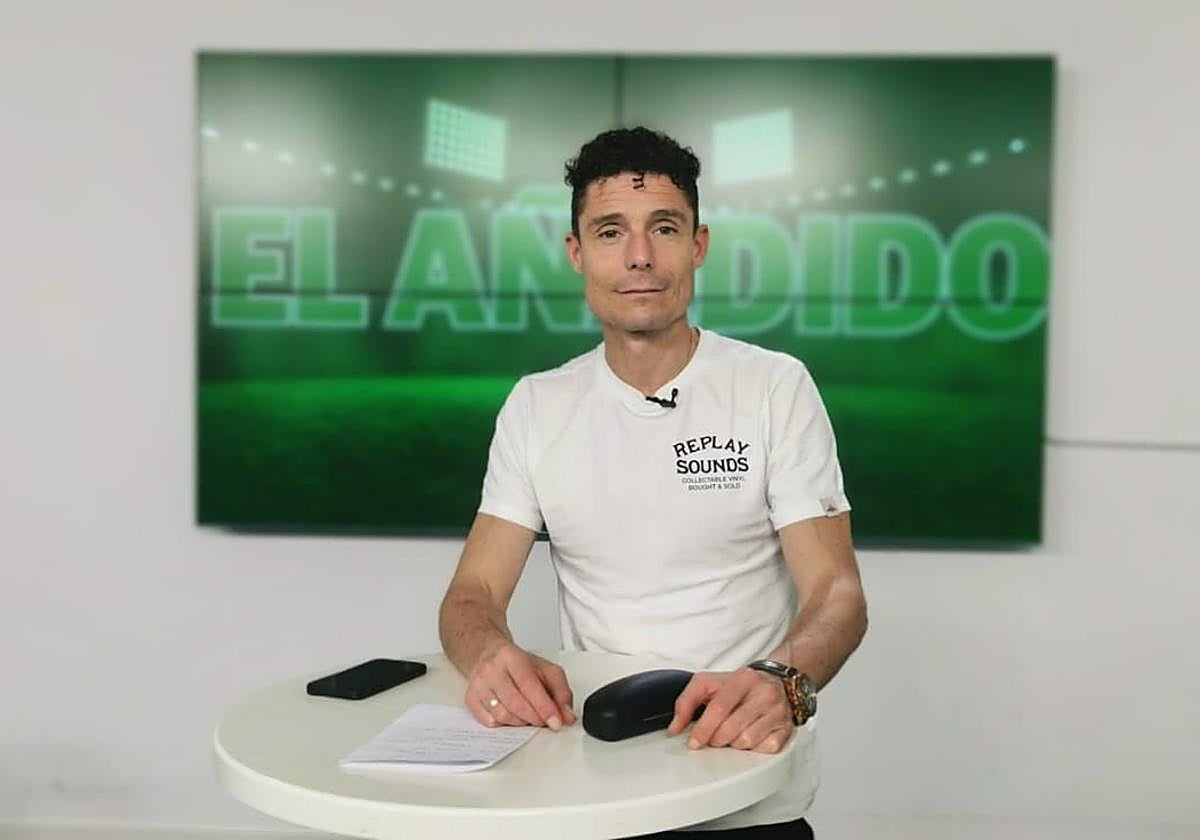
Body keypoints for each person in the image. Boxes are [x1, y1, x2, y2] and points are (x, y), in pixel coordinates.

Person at [439, 126, 867, 838]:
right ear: (577, 252)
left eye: (663, 228)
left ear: (698, 244)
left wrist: (783, 678)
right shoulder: (537, 405)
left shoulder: (774, 387)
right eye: (611, 232)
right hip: (594, 790)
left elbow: (838, 594)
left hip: (746, 789)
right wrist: (490, 654)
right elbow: (472, 593)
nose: (639, 256)